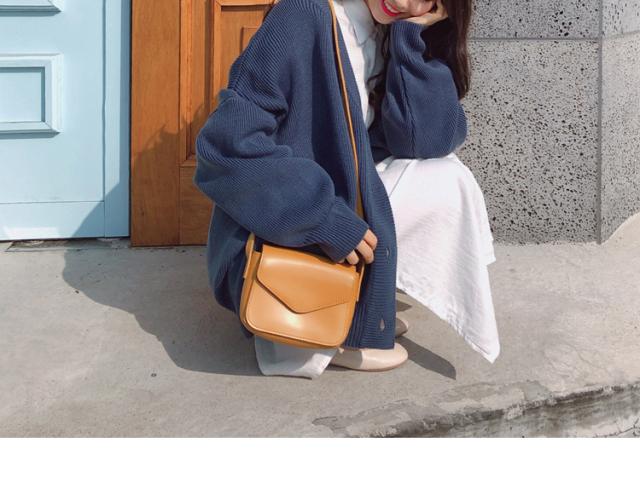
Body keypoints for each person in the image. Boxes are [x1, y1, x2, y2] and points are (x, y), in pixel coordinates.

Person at [194, 0, 499, 379]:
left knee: (446, 178)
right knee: (437, 183)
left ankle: (355, 306)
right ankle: (311, 334)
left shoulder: (386, 29)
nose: (404, 3)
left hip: (330, 204)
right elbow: (224, 145)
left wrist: (409, 40)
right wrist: (322, 217)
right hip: (282, 228)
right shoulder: (303, 15)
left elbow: (428, 141)